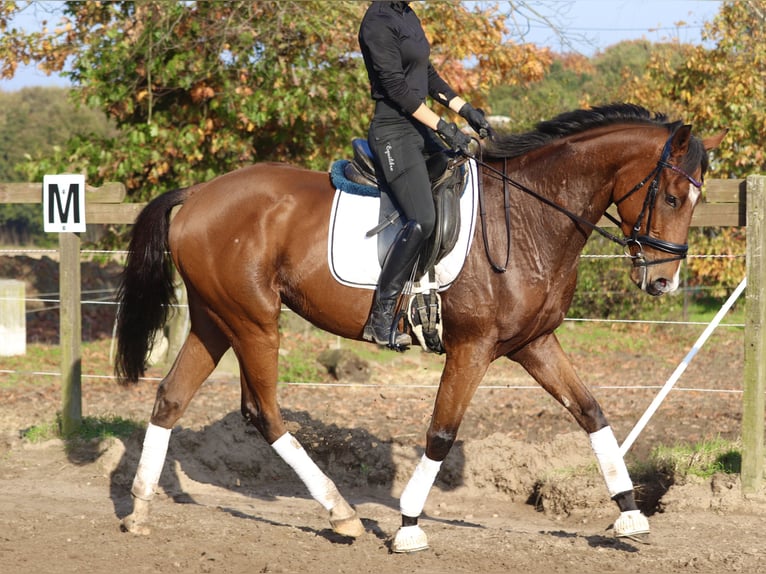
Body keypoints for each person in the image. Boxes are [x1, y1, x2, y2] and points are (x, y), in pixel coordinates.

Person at [358, 0, 490, 349]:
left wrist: (466, 110)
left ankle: (434, 292)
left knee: (464, 176)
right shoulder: (377, 21)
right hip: (392, 133)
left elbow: (425, 75)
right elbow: (398, 89)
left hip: (419, 130)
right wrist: (446, 128)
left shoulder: (407, 14)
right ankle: (381, 317)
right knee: (422, 219)